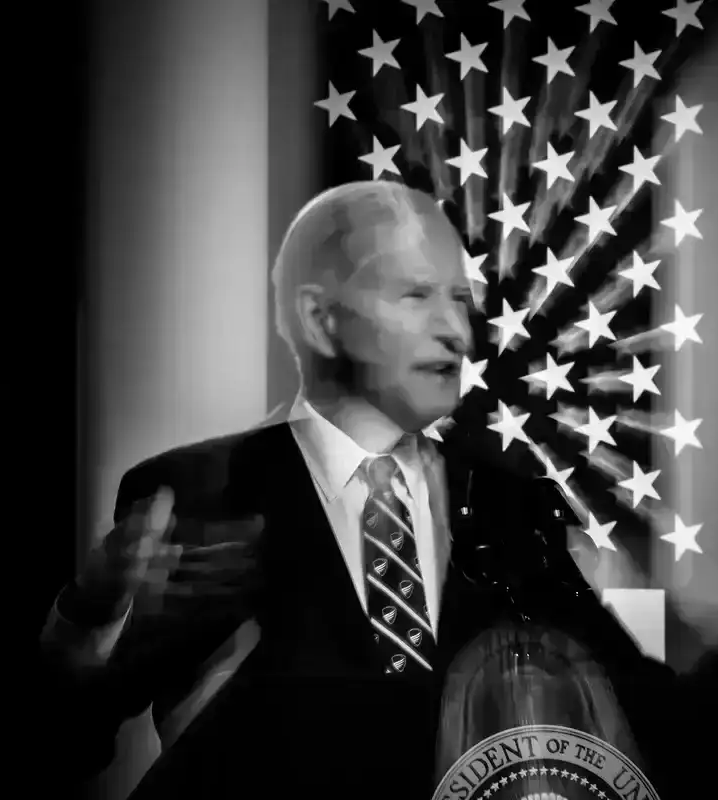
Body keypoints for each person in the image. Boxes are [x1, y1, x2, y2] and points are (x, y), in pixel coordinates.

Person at [39, 180, 670, 799]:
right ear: (320, 319)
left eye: (458, 299)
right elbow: (60, 746)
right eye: (417, 295)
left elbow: (636, 705)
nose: (458, 330)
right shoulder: (194, 494)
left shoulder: (507, 501)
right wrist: (85, 619)